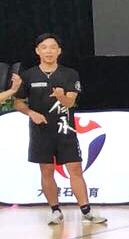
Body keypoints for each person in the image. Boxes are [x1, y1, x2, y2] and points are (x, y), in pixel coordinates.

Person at [11, 34, 106, 226]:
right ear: (37, 51)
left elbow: (70, 102)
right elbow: (18, 103)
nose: (49, 51)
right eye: (44, 47)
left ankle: (86, 210)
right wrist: (31, 113)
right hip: (40, 131)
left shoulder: (70, 74)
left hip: (65, 129)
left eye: (53, 47)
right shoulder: (28, 76)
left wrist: (61, 97)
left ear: (59, 51)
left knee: (75, 169)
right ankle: (55, 210)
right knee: (46, 170)